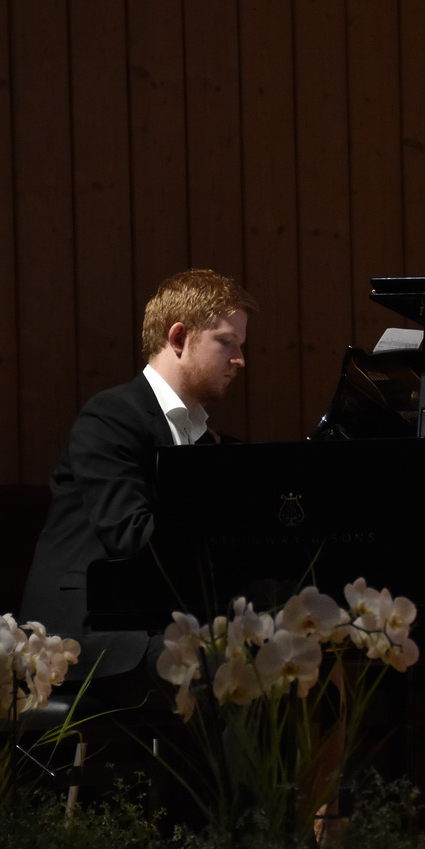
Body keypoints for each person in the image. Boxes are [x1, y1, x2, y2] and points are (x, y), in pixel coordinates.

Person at [21, 268, 255, 638]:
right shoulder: (110, 416)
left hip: (152, 614)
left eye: (240, 345)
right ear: (178, 338)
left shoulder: (204, 439)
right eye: (226, 342)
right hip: (91, 627)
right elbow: (131, 536)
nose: (239, 359)